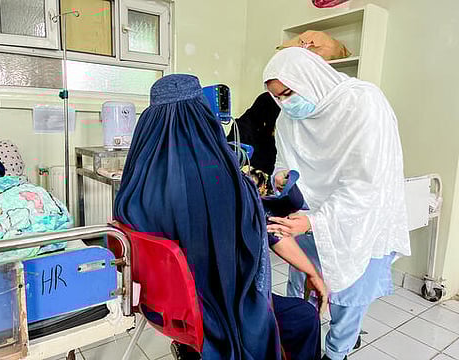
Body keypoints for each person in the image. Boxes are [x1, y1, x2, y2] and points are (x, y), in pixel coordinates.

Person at [114, 74, 325, 360]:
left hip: (164, 307)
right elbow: (264, 232)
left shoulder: (134, 184)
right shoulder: (224, 183)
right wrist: (312, 271)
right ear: (204, 116)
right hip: (216, 310)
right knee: (303, 316)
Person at [263, 47, 411, 360]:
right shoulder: (289, 116)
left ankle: (338, 350)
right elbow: (283, 159)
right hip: (309, 216)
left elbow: (366, 184)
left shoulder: (363, 104)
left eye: (288, 93)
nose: (285, 103)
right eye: (278, 97)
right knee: (303, 280)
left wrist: (316, 221)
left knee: (348, 295)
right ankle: (301, 337)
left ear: (310, 78)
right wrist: (280, 176)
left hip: (359, 218)